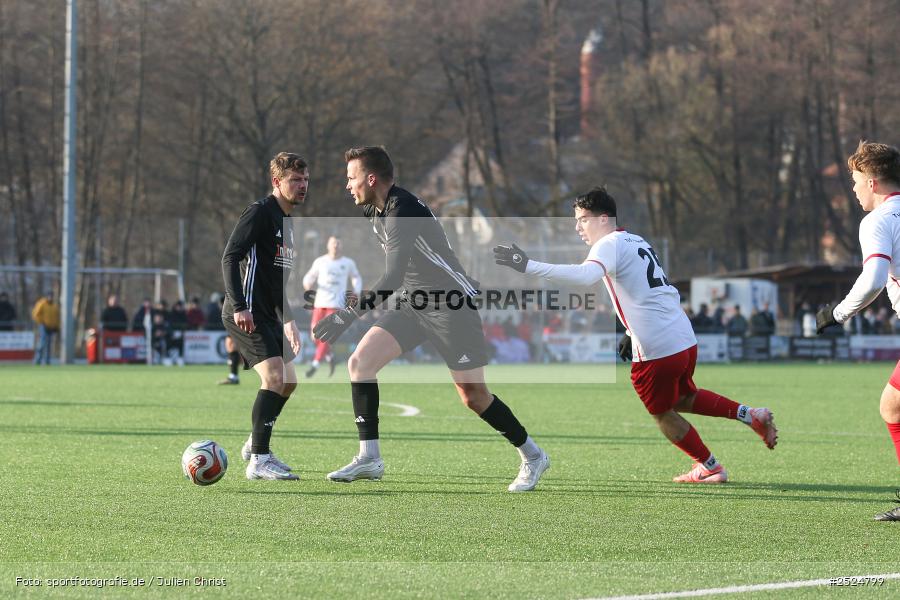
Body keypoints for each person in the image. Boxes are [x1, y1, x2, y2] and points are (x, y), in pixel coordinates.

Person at [494, 186, 777, 483]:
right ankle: (750, 415)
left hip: (657, 346)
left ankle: (709, 466)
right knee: (682, 397)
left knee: (661, 412)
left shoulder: (608, 244)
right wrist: (630, 330)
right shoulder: (636, 239)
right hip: (683, 337)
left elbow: (585, 276)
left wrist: (527, 265)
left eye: (583, 219)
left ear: (604, 218)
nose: (578, 227)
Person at [313, 146, 549, 492]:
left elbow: (391, 277)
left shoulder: (402, 209)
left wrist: (348, 315)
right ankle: (369, 458)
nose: (348, 185)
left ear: (371, 178)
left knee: (473, 396)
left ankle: (532, 455)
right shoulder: (373, 210)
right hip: (413, 303)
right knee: (360, 363)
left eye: (351, 177)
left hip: (450, 303)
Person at [814, 141, 900, 521]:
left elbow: (873, 279)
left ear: (874, 182)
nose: (853, 189)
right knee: (893, 404)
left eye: (855, 180)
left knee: (892, 406)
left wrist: (837, 313)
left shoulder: (879, 220)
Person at [221, 151, 306, 480]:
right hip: (246, 312)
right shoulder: (259, 212)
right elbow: (230, 257)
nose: (302, 186)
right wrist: (240, 305)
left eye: (305, 180)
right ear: (277, 182)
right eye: (295, 180)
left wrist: (288, 320)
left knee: (289, 382)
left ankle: (258, 443)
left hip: (268, 313)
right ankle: (258, 460)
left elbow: (276, 281)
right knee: (274, 379)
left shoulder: (288, 223)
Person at [302, 236, 362, 378]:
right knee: (315, 336)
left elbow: (356, 277)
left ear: (341, 246)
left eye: (338, 243)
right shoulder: (320, 261)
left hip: (336, 305)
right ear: (328, 245)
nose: (335, 245)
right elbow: (309, 277)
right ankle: (330, 357)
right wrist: (307, 284)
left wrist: (356, 292)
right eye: (333, 243)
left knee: (326, 335)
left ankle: (315, 364)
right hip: (319, 304)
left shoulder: (348, 263)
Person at [31, 291, 60, 365]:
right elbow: (35, 314)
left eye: (52, 296)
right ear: (46, 296)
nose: (50, 297)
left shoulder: (54, 306)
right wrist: (42, 322)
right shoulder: (42, 304)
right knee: (42, 343)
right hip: (43, 326)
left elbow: (57, 318)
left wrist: (57, 326)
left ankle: (47, 361)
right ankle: (37, 360)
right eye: (49, 296)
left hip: (51, 327)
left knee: (49, 344)